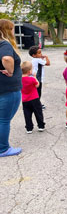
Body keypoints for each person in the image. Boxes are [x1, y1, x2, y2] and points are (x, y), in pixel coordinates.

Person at [0, 19, 22, 157]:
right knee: (4, 119)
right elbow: (7, 59)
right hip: (8, 88)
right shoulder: (5, 44)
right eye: (12, 29)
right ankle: (3, 149)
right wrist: (11, 70)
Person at [21, 61, 45, 134]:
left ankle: (29, 128)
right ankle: (40, 126)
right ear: (29, 71)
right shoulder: (31, 79)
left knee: (27, 114)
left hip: (25, 100)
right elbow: (37, 85)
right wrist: (34, 77)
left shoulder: (19, 80)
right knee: (38, 112)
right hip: (34, 98)